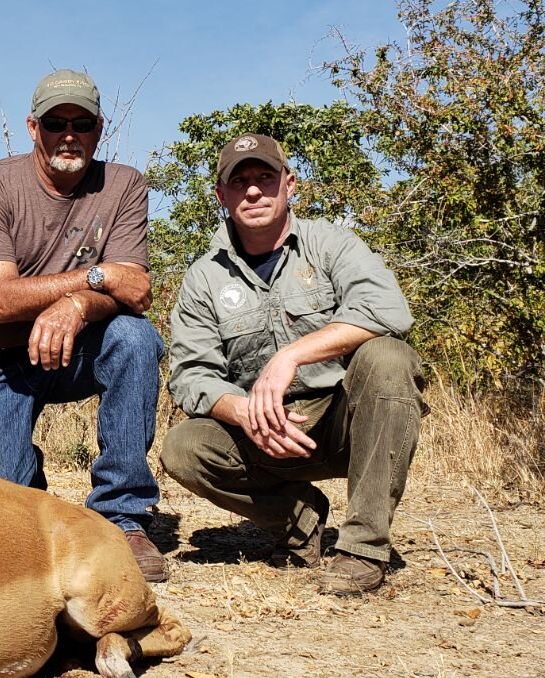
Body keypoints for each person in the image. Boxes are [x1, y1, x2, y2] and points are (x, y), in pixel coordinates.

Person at [161, 133, 425, 595]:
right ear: (222, 195)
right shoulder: (203, 277)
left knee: (388, 356)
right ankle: (300, 524)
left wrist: (292, 355)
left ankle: (363, 547)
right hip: (261, 432)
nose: (254, 191)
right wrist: (245, 412)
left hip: (343, 420)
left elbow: (387, 310)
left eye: (265, 177)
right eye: (239, 181)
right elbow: (191, 374)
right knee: (184, 447)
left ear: (290, 183)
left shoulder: (331, 244)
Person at [0, 68, 169, 581]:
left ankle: (123, 518)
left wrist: (75, 306)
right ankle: (27, 482)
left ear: (98, 128)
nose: (68, 134)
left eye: (81, 122)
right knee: (1, 524)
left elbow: (136, 291)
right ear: (33, 127)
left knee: (136, 339)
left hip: (76, 350)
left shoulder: (124, 186)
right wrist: (95, 279)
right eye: (55, 122)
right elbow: (2, 302)